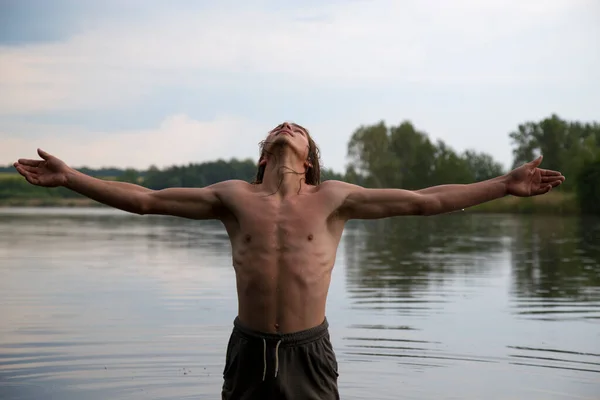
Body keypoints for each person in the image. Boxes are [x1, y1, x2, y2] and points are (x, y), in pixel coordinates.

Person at [13, 122, 565, 399]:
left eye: (296, 127)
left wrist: (503, 184)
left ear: (309, 157)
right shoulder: (232, 197)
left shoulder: (333, 199)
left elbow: (426, 202)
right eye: (279, 126)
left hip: (308, 353)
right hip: (248, 350)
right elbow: (145, 200)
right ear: (264, 154)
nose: (286, 126)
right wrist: (71, 178)